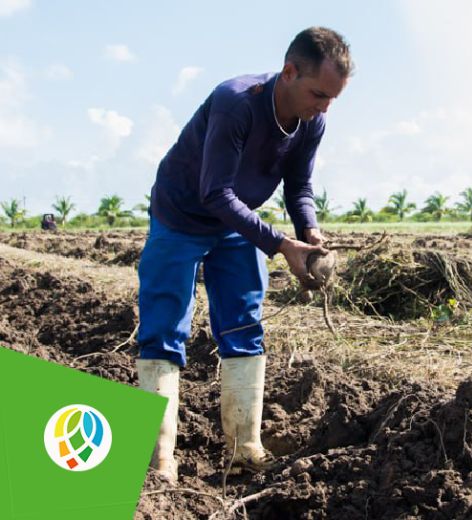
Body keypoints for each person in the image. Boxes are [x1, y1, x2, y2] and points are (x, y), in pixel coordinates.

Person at [135, 27, 353, 482]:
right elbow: (214, 192)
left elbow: (299, 188)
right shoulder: (237, 102)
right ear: (289, 72)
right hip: (183, 215)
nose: (324, 107)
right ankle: (158, 465)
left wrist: (309, 234)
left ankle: (244, 450)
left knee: (243, 327)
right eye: (318, 93)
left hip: (237, 222)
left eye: (333, 98)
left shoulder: (313, 120)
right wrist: (279, 245)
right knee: (163, 331)